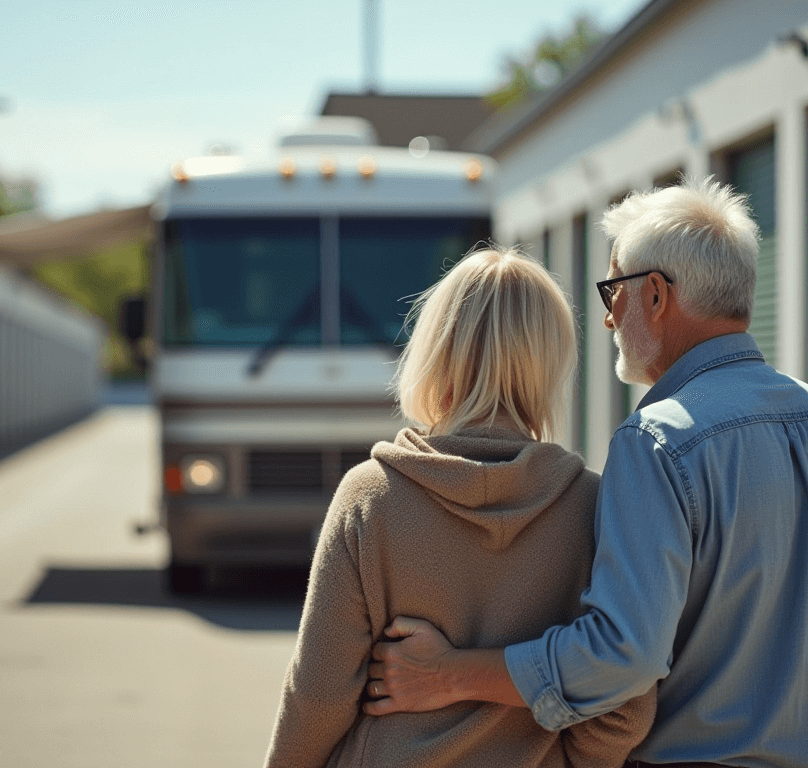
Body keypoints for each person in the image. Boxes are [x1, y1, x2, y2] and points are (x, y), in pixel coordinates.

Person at [362, 179, 808, 768]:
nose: (610, 319)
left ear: (658, 296)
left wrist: (450, 675)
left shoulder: (659, 441)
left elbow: (622, 658)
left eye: (613, 290)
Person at [263, 248, 656, 768]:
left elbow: (318, 695)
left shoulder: (370, 498)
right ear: (551, 362)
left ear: (436, 350)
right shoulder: (593, 507)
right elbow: (625, 708)